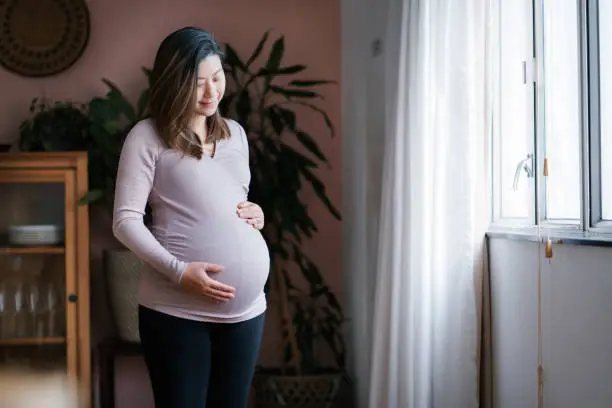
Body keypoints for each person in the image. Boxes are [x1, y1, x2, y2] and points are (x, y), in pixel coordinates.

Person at [112, 26, 270, 408]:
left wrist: (257, 214)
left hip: (247, 313)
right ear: (173, 83)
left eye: (217, 78)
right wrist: (180, 271)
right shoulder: (147, 137)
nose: (212, 92)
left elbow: (228, 202)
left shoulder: (235, 134)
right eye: (198, 83)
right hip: (176, 309)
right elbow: (125, 220)